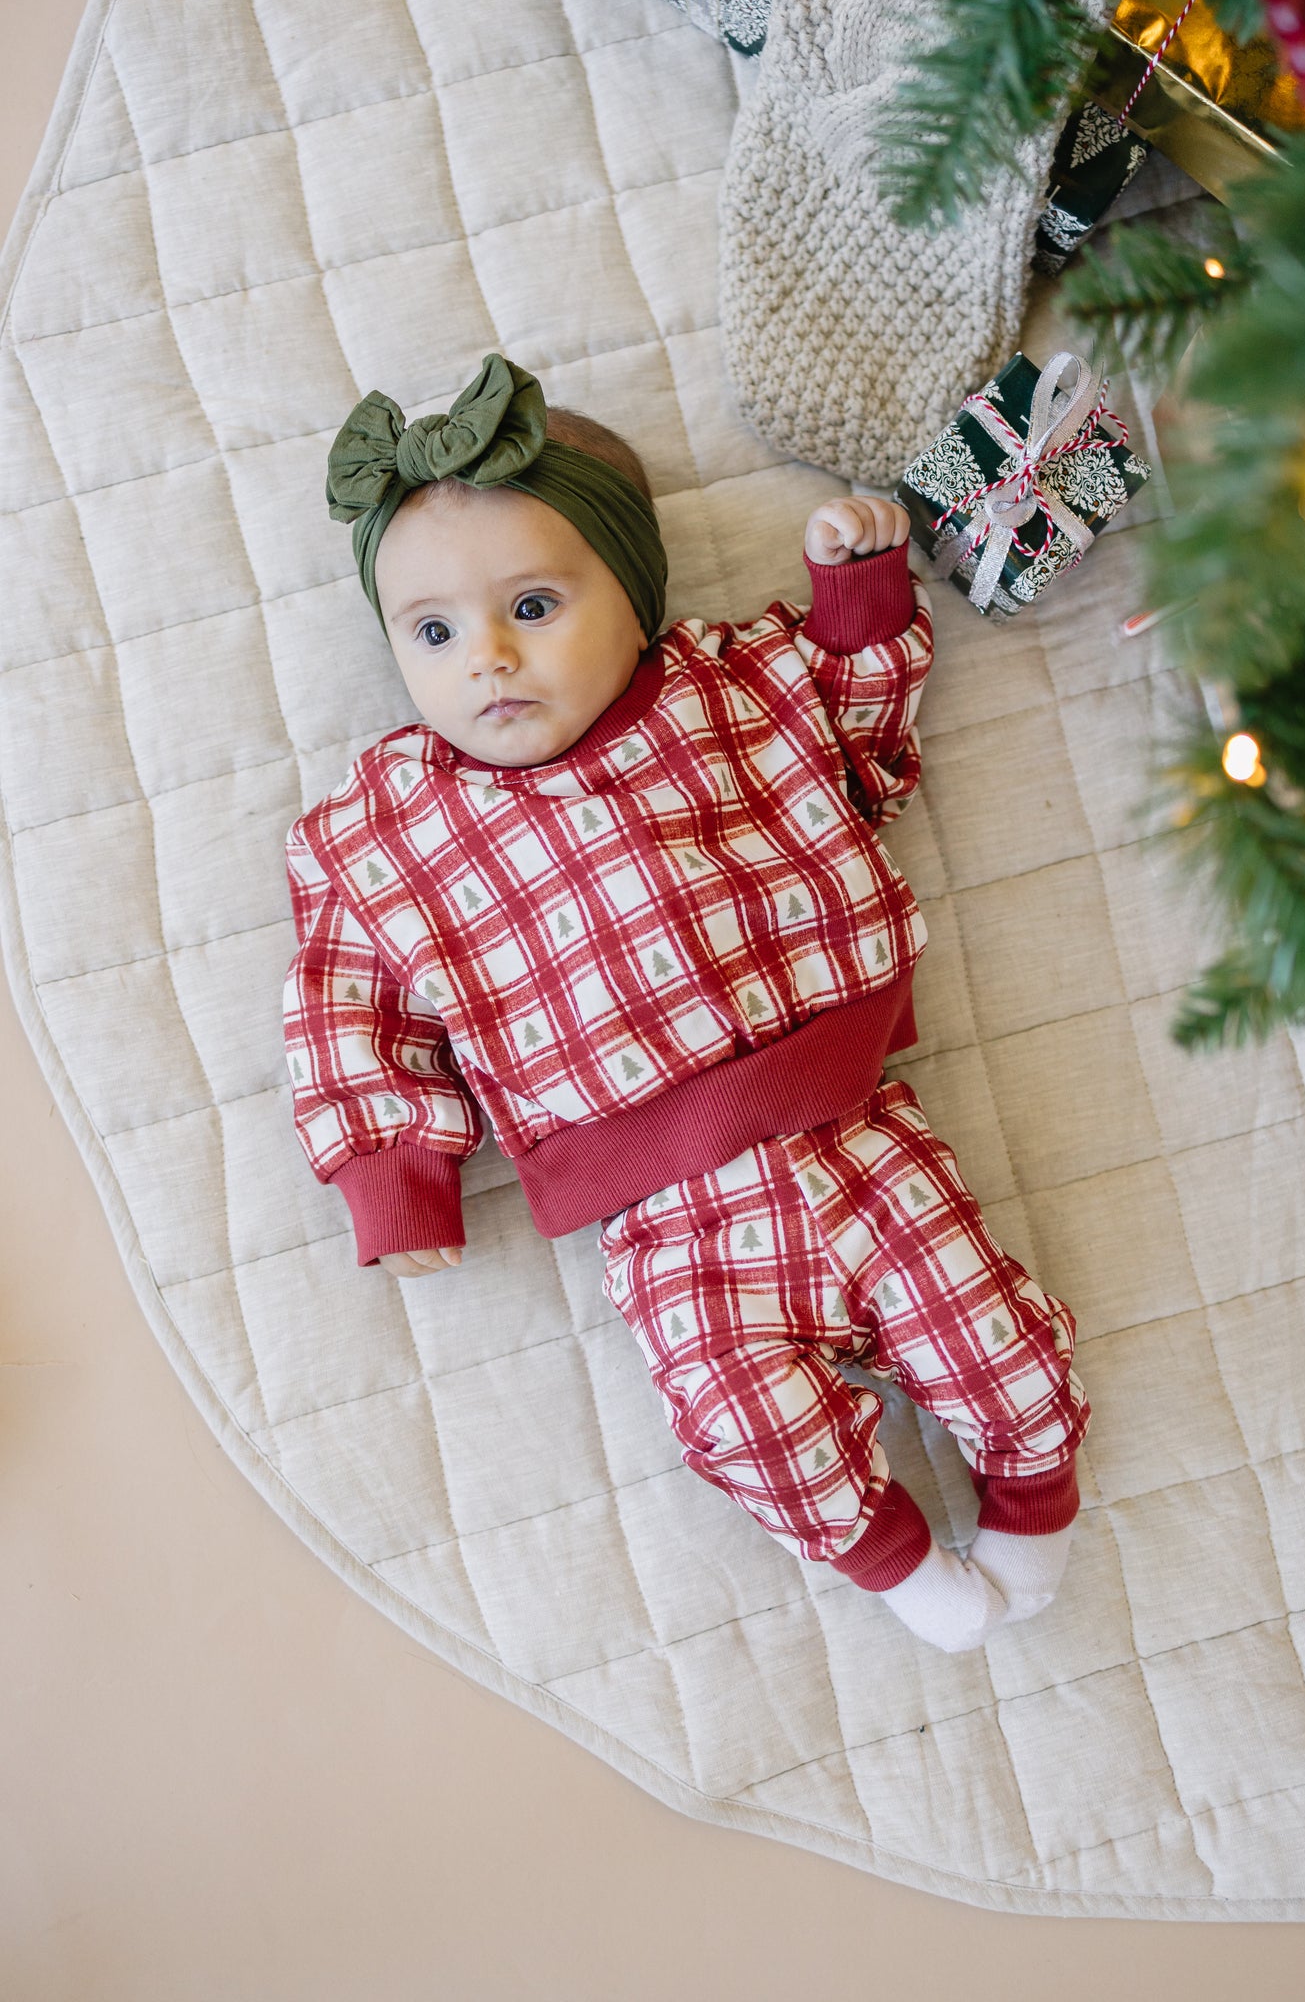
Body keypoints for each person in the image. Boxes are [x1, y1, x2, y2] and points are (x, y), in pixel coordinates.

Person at [284, 356, 1089, 1653]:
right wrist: (394, 1173)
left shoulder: (725, 690)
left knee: (989, 1339)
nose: (483, 658)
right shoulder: (385, 828)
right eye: (430, 633)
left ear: (634, 595)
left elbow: (858, 721)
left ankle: (1033, 1496)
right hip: (665, 1226)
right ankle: (887, 1561)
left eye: (531, 605)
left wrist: (857, 587)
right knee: (737, 1416)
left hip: (853, 1131)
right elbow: (342, 1005)